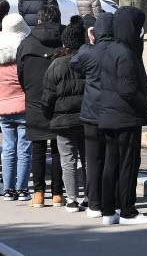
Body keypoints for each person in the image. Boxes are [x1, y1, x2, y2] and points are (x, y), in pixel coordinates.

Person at [99, 6, 147, 225]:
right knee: (128, 164)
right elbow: (128, 90)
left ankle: (108, 210)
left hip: (110, 115)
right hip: (125, 117)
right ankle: (128, 211)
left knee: (111, 163)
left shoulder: (112, 49)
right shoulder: (126, 54)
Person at [17, 5, 63, 208]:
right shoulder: (66, 40)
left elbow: (21, 74)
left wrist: (30, 92)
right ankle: (58, 194)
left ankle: (38, 194)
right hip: (61, 101)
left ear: (38, 21)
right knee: (58, 148)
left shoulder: (26, 44)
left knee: (37, 147)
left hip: (35, 100)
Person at [42, 17, 88, 212]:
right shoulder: (88, 61)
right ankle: (89, 196)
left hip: (62, 120)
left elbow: (48, 95)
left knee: (68, 160)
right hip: (87, 119)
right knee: (89, 160)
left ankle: (71, 199)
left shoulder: (56, 64)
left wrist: (48, 114)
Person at [70, 12, 113, 218]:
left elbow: (75, 65)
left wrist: (89, 42)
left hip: (90, 112)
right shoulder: (118, 51)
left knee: (93, 160)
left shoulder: (89, 52)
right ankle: (111, 202)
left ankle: (94, 204)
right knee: (112, 158)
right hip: (113, 111)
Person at [0, 14, 31, 202]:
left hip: (3, 107)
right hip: (23, 106)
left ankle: (8, 189)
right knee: (24, 149)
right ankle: (22, 190)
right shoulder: (23, 55)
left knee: (9, 149)